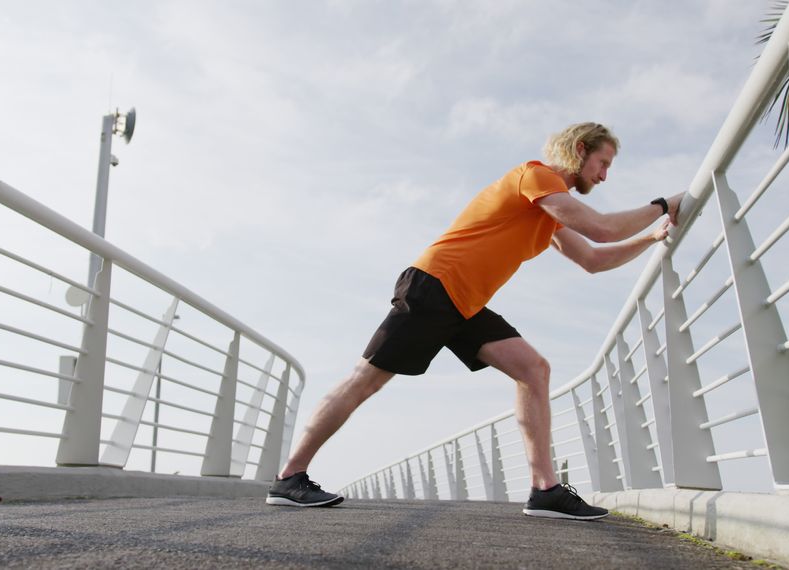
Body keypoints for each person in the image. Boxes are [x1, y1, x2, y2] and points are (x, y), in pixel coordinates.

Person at [266, 123, 683, 520]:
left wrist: (649, 237)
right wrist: (664, 205)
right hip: (435, 286)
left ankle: (545, 490)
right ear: (579, 150)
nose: (605, 175)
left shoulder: (550, 212)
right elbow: (601, 230)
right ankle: (289, 478)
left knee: (533, 369)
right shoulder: (535, 177)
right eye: (603, 163)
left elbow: (593, 259)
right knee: (366, 379)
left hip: (465, 304)